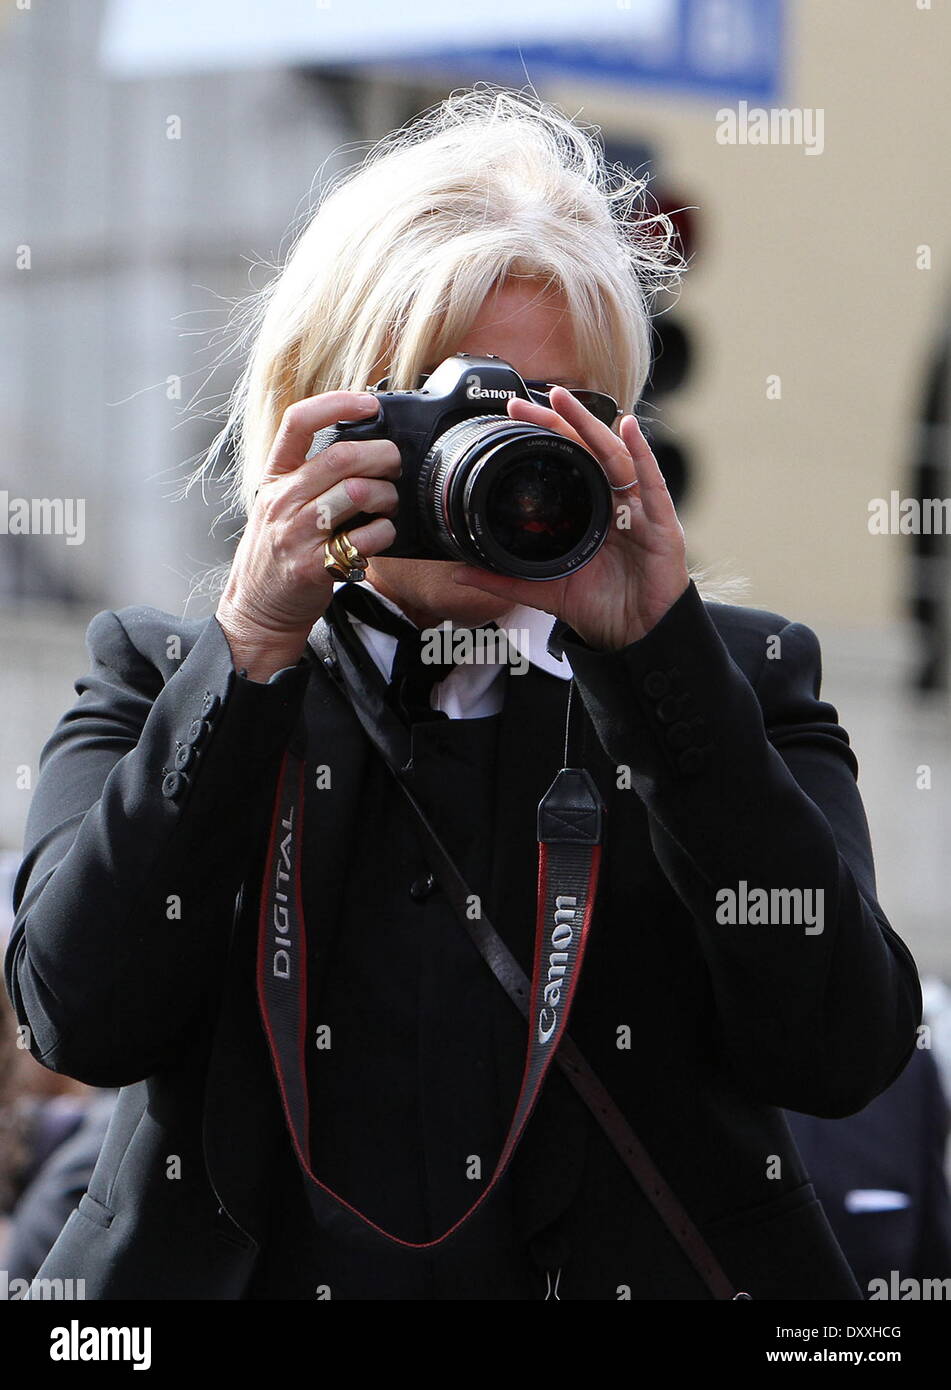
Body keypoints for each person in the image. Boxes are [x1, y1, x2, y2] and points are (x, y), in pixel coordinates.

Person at [4, 87, 922, 1300]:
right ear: (315, 412)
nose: (497, 458)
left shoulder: (738, 685)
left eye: (554, 416)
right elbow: (79, 1019)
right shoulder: (165, 675)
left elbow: (843, 1050)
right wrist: (252, 653)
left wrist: (661, 669)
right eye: (441, 410)